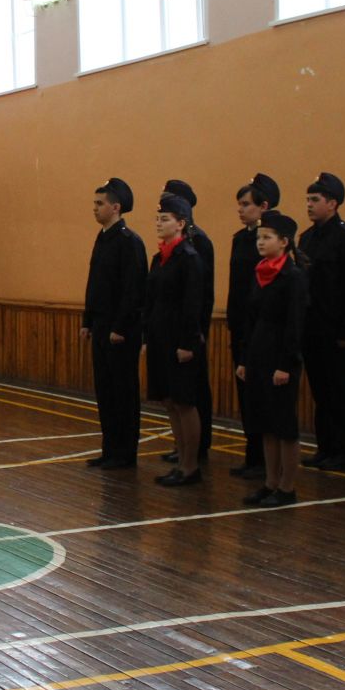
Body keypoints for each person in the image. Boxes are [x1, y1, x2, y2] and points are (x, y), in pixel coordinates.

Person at [235, 210, 308, 507]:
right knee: (265, 423)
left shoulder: (293, 277)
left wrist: (285, 365)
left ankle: (287, 487)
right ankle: (270, 483)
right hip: (258, 355)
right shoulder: (260, 272)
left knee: (284, 426)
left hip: (280, 360)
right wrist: (244, 359)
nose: (260, 242)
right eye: (259, 237)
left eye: (267, 237)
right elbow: (250, 320)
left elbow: (295, 324)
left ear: (284, 241)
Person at [298, 172, 345, 472]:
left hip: (335, 330)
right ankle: (325, 447)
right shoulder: (306, 238)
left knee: (338, 391)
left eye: (315, 199)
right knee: (320, 391)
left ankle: (344, 451)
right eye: (308, 199)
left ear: (333, 203)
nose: (309, 205)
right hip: (312, 328)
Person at [81, 177, 147, 469]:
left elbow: (133, 291)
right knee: (105, 390)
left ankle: (125, 452)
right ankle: (109, 448)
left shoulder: (129, 242)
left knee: (123, 392)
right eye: (94, 203)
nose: (95, 208)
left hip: (121, 331)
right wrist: (87, 319)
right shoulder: (103, 237)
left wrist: (120, 327)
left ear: (116, 207)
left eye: (100, 203)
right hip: (101, 326)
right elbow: (95, 283)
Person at [144, 194, 207, 487]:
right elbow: (151, 300)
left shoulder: (189, 258)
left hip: (179, 339)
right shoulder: (159, 259)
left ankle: (191, 466)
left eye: (165, 219)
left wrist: (187, 343)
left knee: (184, 402)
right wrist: (147, 336)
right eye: (157, 219)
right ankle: (180, 461)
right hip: (160, 338)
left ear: (181, 224)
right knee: (169, 401)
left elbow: (193, 304)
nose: (159, 223)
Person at [226, 173, 279, 481]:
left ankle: (264, 460)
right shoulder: (239, 239)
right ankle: (252, 454)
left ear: (264, 207)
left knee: (261, 395)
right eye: (240, 204)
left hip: (262, 328)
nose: (241, 209)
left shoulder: (272, 243)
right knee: (245, 393)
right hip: (241, 326)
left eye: (246, 204)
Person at [161, 180, 215, 466]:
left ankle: (198, 446)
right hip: (173, 328)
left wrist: (198, 331)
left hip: (192, 330)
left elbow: (201, 292)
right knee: (176, 394)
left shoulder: (198, 241)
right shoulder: (169, 246)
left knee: (194, 392)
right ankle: (183, 447)